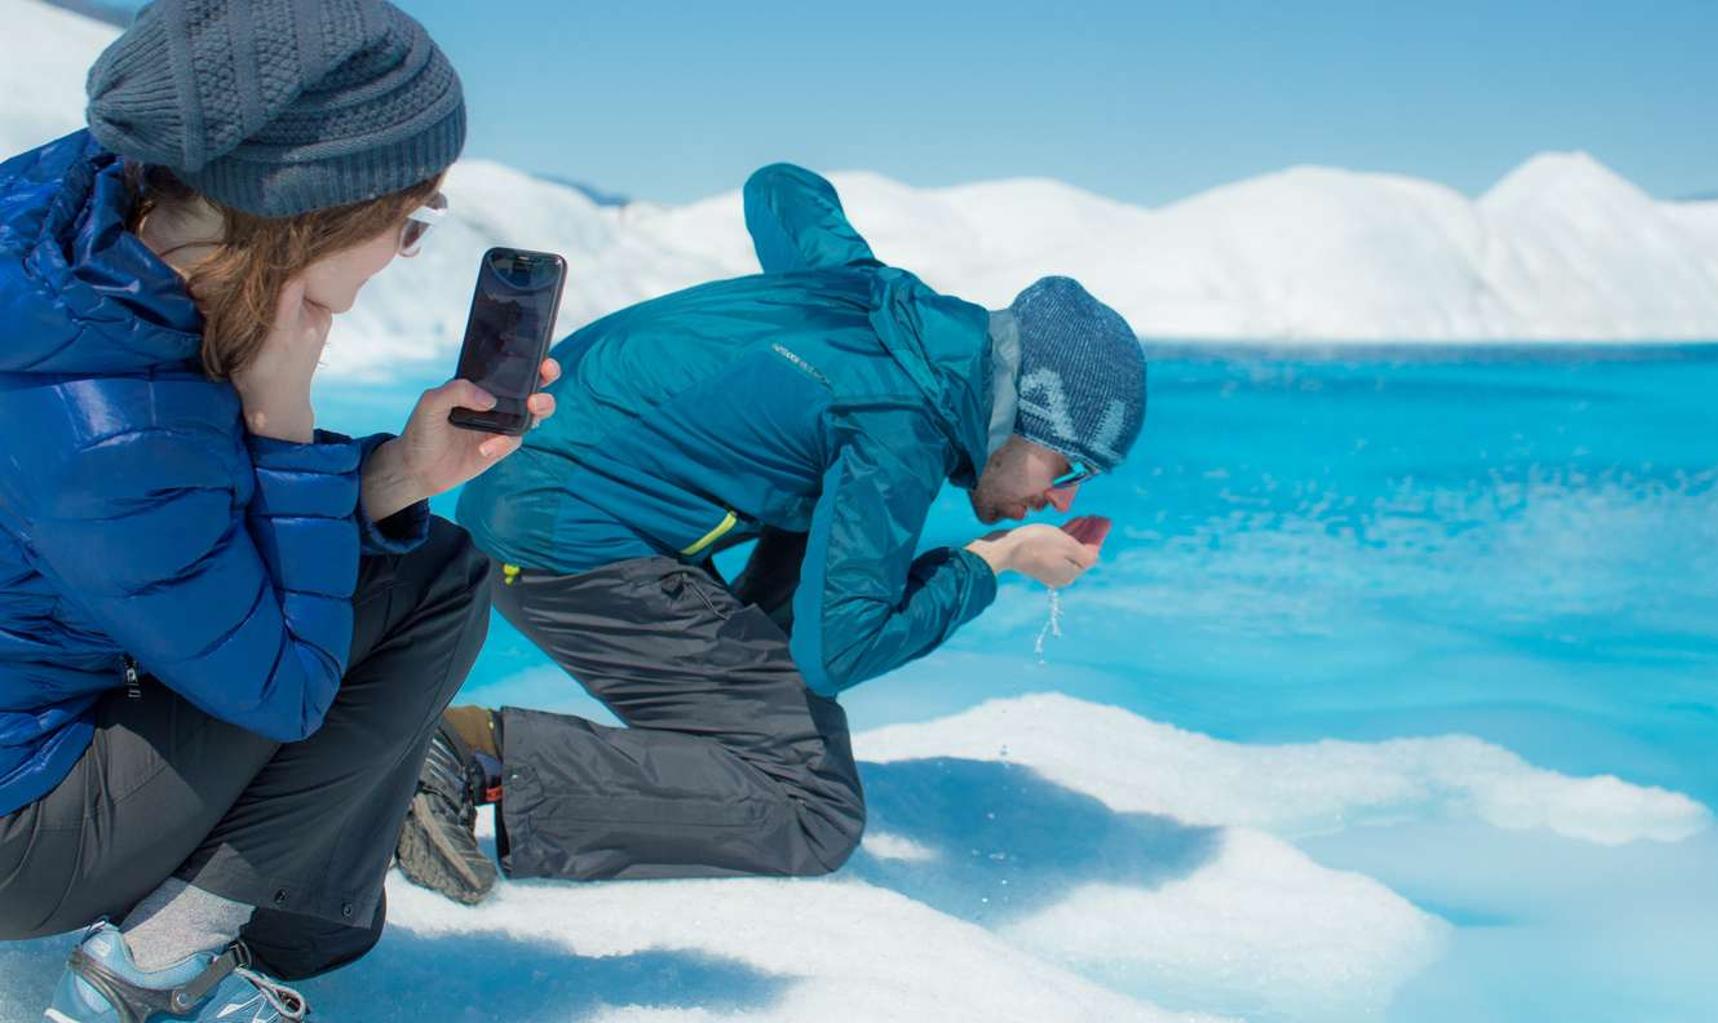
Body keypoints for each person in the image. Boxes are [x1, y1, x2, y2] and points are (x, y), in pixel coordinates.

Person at [0, 2, 559, 1020]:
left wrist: (396, 474)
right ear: (313, 212)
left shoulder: (81, 241)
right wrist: (285, 418)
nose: (402, 247)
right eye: (412, 218)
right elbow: (289, 685)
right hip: (17, 833)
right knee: (437, 581)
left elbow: (182, 528)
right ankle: (160, 965)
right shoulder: (106, 423)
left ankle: (292, 916)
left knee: (423, 556)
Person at [397, 163, 1148, 902]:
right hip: (559, 538)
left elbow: (780, 189)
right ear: (1023, 413)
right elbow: (840, 650)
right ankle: (464, 754)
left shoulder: (876, 295)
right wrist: (998, 558)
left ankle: (655, 746)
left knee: (793, 648)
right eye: (1070, 462)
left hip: (556, 494)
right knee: (811, 805)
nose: (1062, 495)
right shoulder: (899, 425)